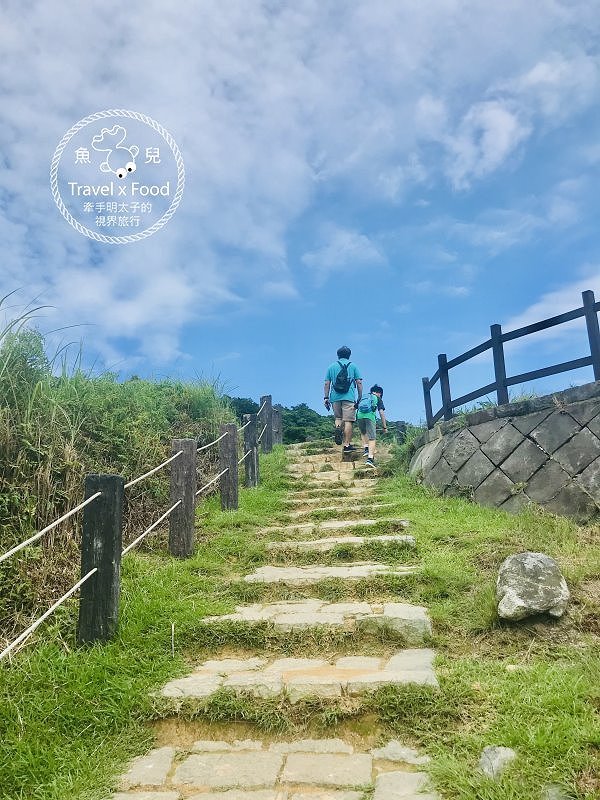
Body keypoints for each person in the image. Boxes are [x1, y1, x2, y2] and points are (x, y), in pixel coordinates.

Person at [323, 345, 362, 453]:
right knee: (349, 420)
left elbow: (327, 383)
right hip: (349, 397)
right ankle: (346, 445)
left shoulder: (331, 367)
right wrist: (359, 397)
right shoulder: (353, 366)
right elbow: (359, 382)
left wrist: (326, 397)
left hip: (334, 397)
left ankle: (338, 428)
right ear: (349, 355)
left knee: (338, 418)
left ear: (338, 355)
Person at [356, 384, 387, 468]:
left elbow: (356, 407)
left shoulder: (363, 396)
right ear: (379, 393)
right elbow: (381, 413)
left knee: (363, 432)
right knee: (372, 438)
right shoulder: (378, 398)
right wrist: (384, 427)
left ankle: (366, 448)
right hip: (370, 417)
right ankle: (370, 459)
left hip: (359, 416)